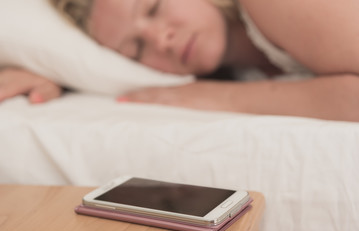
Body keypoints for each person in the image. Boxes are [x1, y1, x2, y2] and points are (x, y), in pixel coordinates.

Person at [2, 0, 359, 122]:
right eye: (136, 51)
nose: (161, 39)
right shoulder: (241, 67)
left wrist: (220, 98)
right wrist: (55, 77)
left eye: (154, 6)